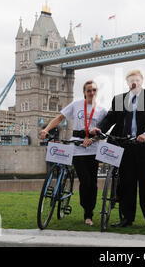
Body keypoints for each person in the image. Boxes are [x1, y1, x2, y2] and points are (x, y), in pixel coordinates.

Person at [91, 70, 145, 228]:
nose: (134, 82)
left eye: (137, 80)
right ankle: (127, 218)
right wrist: (99, 128)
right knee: (126, 184)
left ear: (141, 81)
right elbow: (110, 118)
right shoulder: (119, 99)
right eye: (131, 80)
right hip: (125, 146)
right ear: (127, 82)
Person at [40, 80, 107, 226]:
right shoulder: (76, 105)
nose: (91, 92)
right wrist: (46, 130)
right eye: (88, 90)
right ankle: (86, 208)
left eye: (94, 90)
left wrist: (92, 140)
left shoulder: (102, 110)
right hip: (77, 146)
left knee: (93, 183)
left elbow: (103, 131)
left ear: (97, 92)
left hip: (93, 148)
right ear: (84, 92)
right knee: (85, 181)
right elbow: (59, 118)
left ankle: (89, 214)